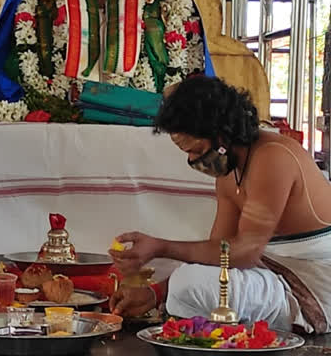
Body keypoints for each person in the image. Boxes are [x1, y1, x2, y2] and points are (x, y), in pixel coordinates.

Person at [109, 76, 331, 333]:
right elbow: (219, 254)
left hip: (315, 288)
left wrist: (160, 247)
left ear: (222, 133)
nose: (193, 160)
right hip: (273, 279)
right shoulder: (229, 174)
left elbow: (244, 253)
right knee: (190, 279)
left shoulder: (274, 157)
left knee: (187, 282)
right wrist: (153, 293)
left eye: (196, 150)